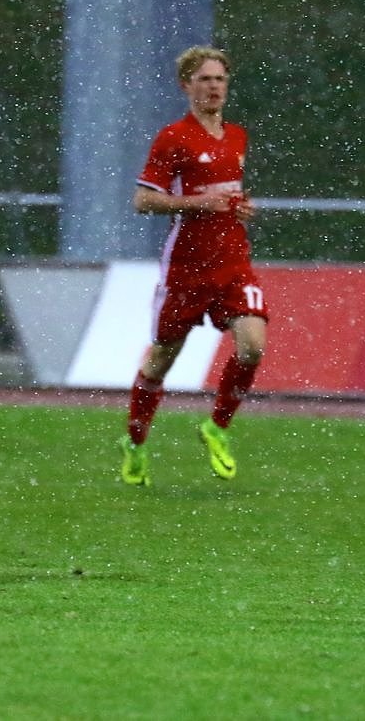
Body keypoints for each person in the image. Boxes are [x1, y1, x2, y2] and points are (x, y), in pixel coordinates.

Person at [121, 46, 267, 486]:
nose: (214, 87)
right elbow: (143, 201)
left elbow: (226, 196)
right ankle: (135, 442)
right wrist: (198, 203)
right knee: (161, 359)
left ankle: (217, 427)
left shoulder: (237, 137)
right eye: (205, 79)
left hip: (233, 261)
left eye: (220, 79)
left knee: (252, 346)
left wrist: (239, 208)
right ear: (186, 86)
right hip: (187, 267)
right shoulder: (173, 138)